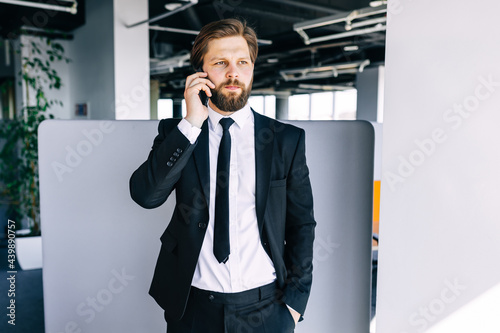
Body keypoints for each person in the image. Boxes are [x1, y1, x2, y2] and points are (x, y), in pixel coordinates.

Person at [130, 18, 316, 333]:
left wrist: (294, 305)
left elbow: (302, 224)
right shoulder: (178, 133)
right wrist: (190, 124)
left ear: (252, 68)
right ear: (200, 72)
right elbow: (146, 196)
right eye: (220, 63)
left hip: (267, 308)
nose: (233, 73)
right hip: (194, 308)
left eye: (242, 62)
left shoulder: (285, 139)